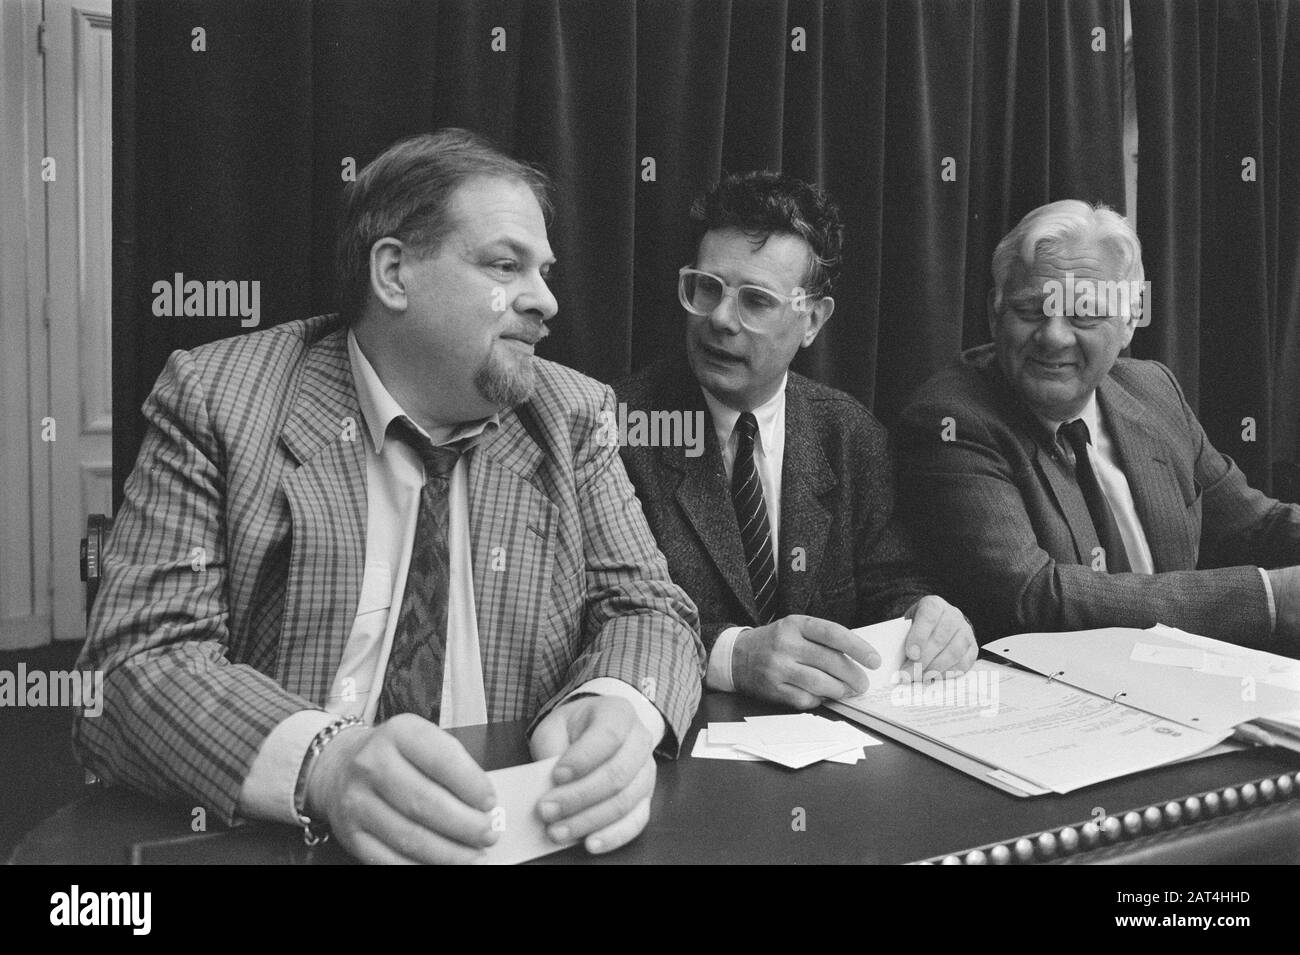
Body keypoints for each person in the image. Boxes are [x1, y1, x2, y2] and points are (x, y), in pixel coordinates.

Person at [73, 129, 705, 864]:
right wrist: (329, 765)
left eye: (545, 271)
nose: (547, 302)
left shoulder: (573, 415)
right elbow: (131, 669)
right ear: (394, 272)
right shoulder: (220, 400)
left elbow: (651, 608)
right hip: (288, 843)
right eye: (507, 265)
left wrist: (617, 704)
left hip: (513, 838)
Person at [614, 171, 977, 711]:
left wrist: (930, 618)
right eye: (705, 289)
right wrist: (731, 655)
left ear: (812, 321)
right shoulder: (620, 428)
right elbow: (599, 618)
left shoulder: (850, 434)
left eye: (755, 301)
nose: (718, 319)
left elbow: (893, 583)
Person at [898, 199, 1300, 649]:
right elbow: (1032, 597)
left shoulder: (1154, 389)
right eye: (1031, 310)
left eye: (1084, 314)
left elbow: (1256, 526)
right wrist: (1272, 598)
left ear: (1128, 322)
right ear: (995, 314)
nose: (1053, 336)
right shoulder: (952, 419)